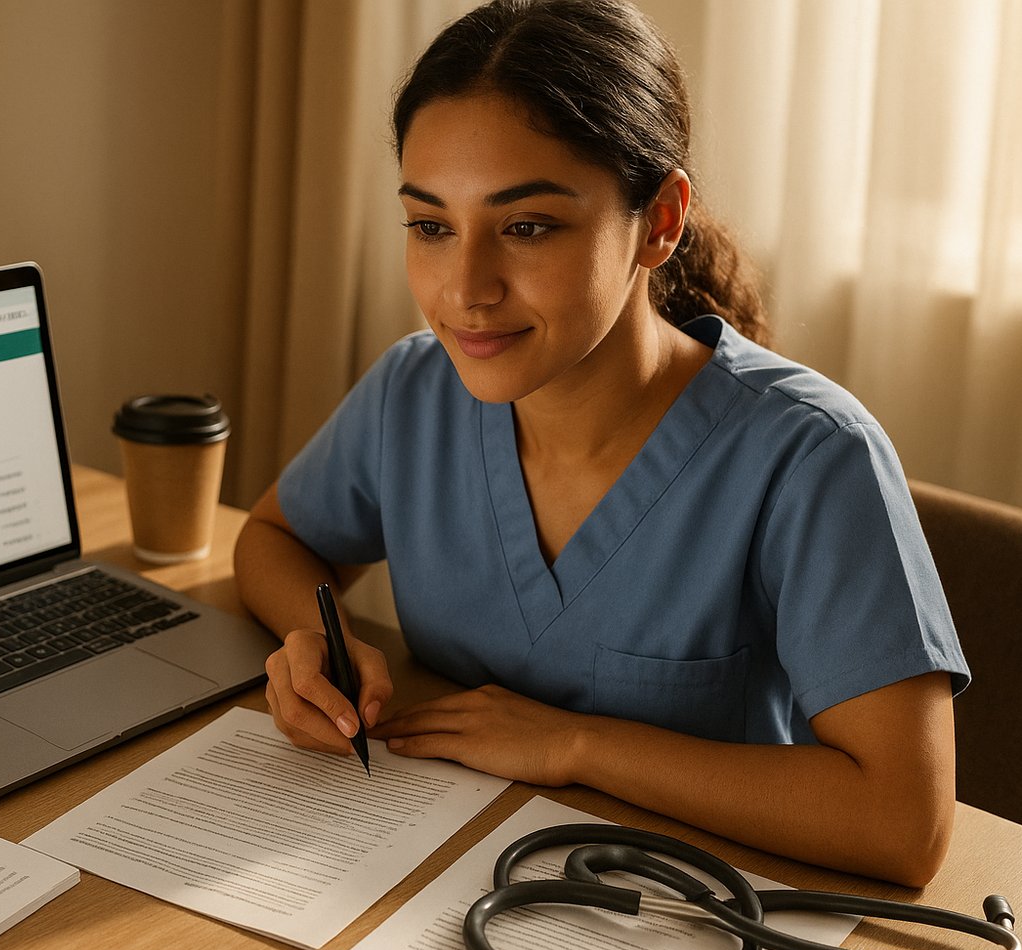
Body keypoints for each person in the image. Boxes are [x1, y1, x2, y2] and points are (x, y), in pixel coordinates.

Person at [232, 0, 967, 888]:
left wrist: (576, 744)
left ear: (659, 221)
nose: (466, 289)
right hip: (423, 874)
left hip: (671, 912)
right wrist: (320, 639)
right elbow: (273, 537)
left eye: (526, 226)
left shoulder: (811, 458)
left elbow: (904, 822)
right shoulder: (413, 392)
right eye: (431, 226)